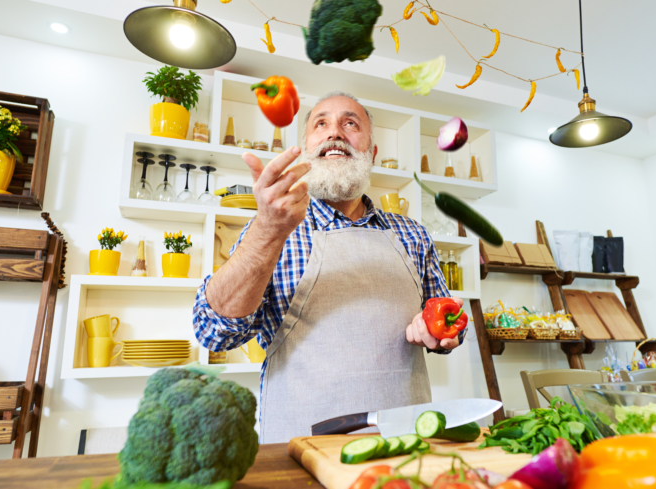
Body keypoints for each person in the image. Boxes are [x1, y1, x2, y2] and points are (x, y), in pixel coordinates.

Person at [193, 91, 465, 443]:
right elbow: (215, 332)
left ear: (372, 152)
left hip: (406, 443)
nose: (335, 132)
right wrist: (266, 229)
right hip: (301, 447)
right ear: (306, 148)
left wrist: (442, 334)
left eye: (350, 123)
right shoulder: (272, 230)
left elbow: (447, 323)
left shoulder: (412, 234)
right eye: (321, 124)